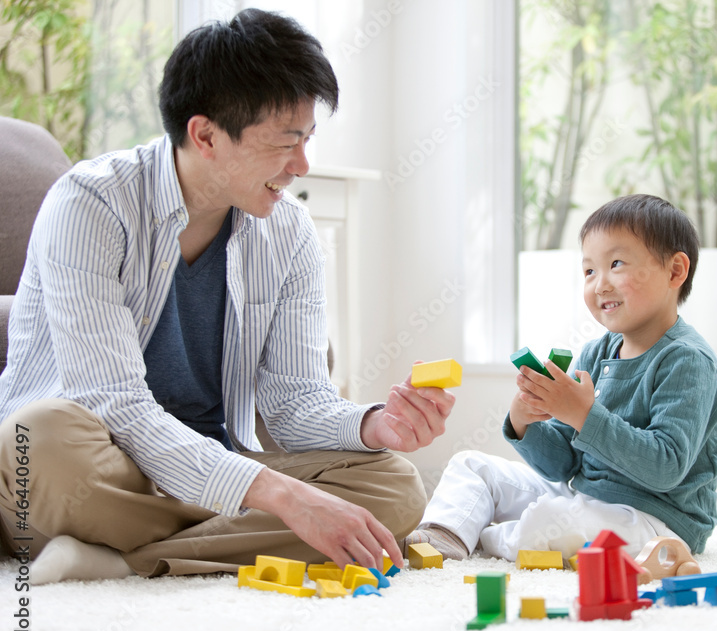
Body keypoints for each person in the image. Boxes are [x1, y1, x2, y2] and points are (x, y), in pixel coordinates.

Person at [0, 9, 454, 584]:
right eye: (285, 142)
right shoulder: (90, 205)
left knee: (393, 485)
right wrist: (284, 497)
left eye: (308, 139)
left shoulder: (289, 233)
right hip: (99, 462)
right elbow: (113, 404)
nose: (301, 165)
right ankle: (210, 540)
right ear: (206, 135)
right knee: (39, 438)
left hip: (211, 469)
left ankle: (118, 558)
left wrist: (375, 426)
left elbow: (295, 405)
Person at [404, 194, 717, 563]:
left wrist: (584, 415)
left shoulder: (688, 361)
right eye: (589, 271)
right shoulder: (595, 353)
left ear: (674, 272)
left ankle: (484, 536)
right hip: (585, 495)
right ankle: (444, 534)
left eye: (616, 264)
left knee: (552, 521)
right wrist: (525, 423)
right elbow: (562, 467)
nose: (599, 285)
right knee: (471, 465)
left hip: (656, 519)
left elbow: (665, 468)